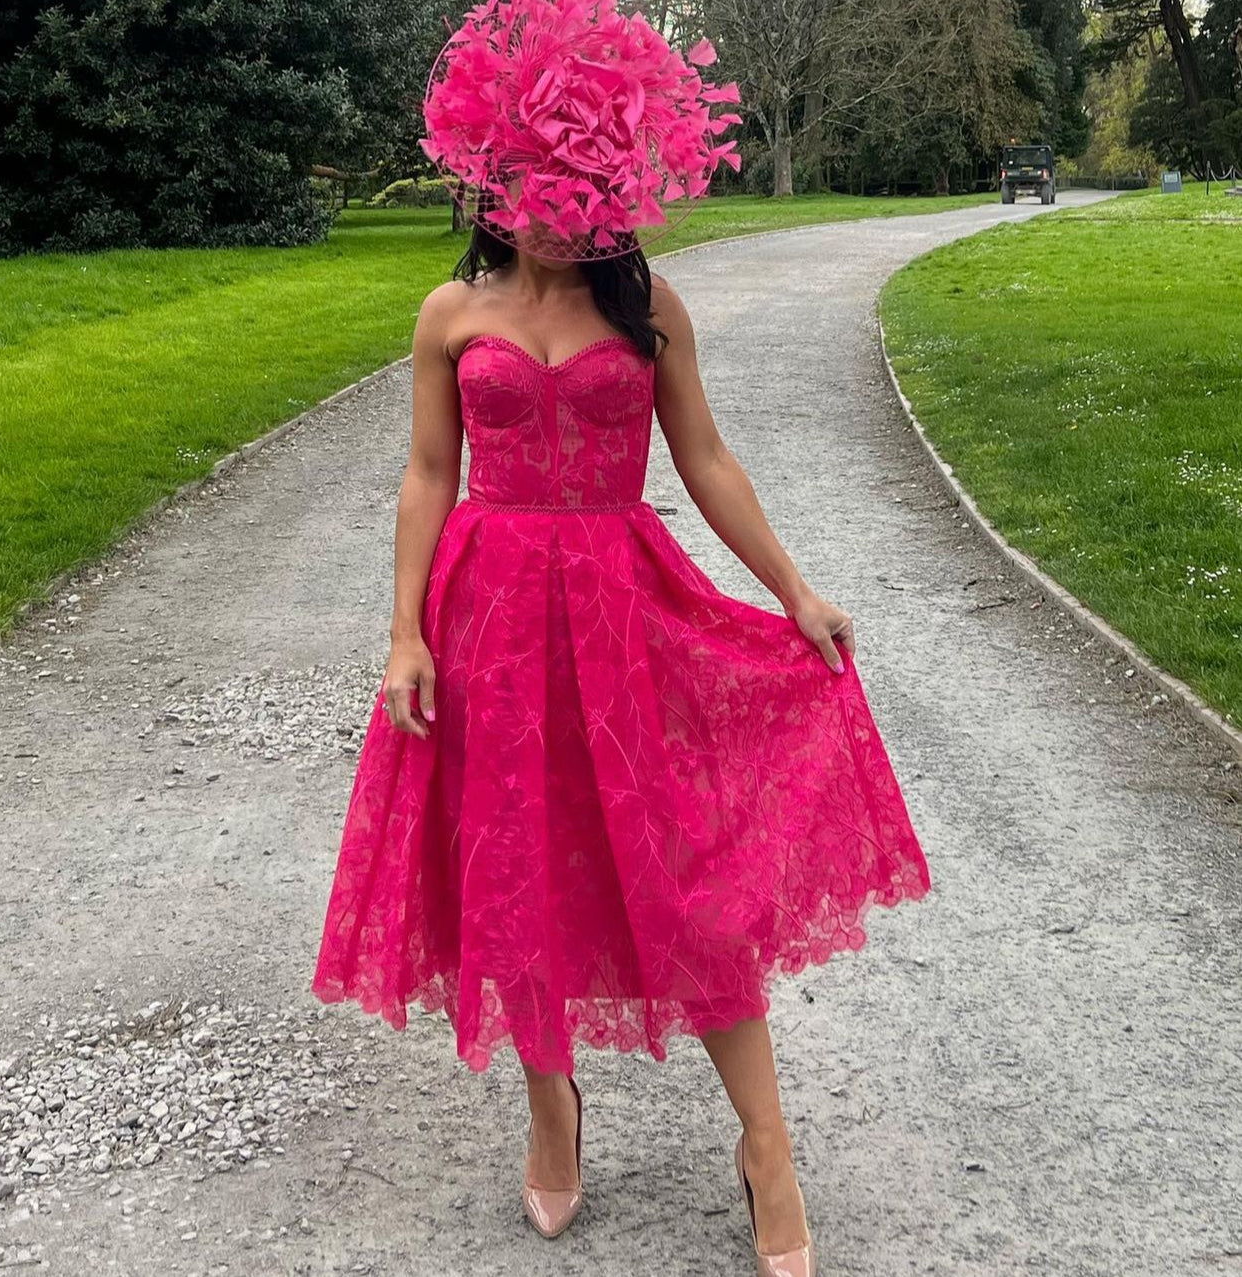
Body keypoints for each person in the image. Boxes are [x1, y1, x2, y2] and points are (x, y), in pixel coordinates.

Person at [310, 2, 932, 1273]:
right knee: (514, 863)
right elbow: (427, 474)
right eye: (533, 180)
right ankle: (552, 1108)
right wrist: (403, 633)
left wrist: (795, 590)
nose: (555, 208)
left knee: (683, 878)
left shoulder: (650, 312)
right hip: (486, 617)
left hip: (621, 610)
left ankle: (767, 1145)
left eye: (582, 182)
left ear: (616, 179)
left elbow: (705, 459)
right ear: (495, 170)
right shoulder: (448, 313)